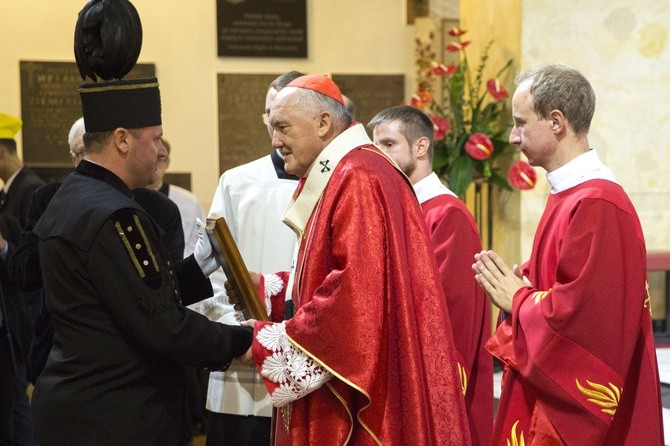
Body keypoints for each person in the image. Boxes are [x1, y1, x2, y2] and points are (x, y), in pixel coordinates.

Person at [233, 74, 470, 445]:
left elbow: (355, 295)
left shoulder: (357, 176)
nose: (274, 141)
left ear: (324, 124)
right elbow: (336, 272)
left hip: (367, 389)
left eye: (282, 127)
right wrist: (271, 288)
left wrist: (270, 340)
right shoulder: (351, 169)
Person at [472, 63, 664, 445]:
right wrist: (523, 290)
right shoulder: (570, 195)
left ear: (556, 121)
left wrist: (518, 299)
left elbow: (587, 324)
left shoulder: (597, 203)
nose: (513, 137)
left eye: (521, 123)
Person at [368, 104, 493, 445]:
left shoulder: (446, 214)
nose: (378, 155)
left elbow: (448, 319)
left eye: (388, 144)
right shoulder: (402, 208)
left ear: (421, 147)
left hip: (433, 389)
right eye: (375, 145)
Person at [190, 70, 304, 446]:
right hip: (243, 376)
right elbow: (213, 270)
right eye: (271, 120)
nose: (277, 135)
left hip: (310, 373)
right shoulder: (238, 183)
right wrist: (237, 337)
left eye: (285, 122)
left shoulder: (341, 184)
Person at [0, 112, 42, 446]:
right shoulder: (13, 190)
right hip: (15, 319)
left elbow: (33, 263)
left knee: (19, 408)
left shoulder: (29, 191)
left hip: (22, 317)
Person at [147, 137, 206, 257]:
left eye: (160, 159)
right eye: (152, 159)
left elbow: (199, 243)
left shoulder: (189, 201)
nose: (155, 165)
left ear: (167, 163)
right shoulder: (127, 196)